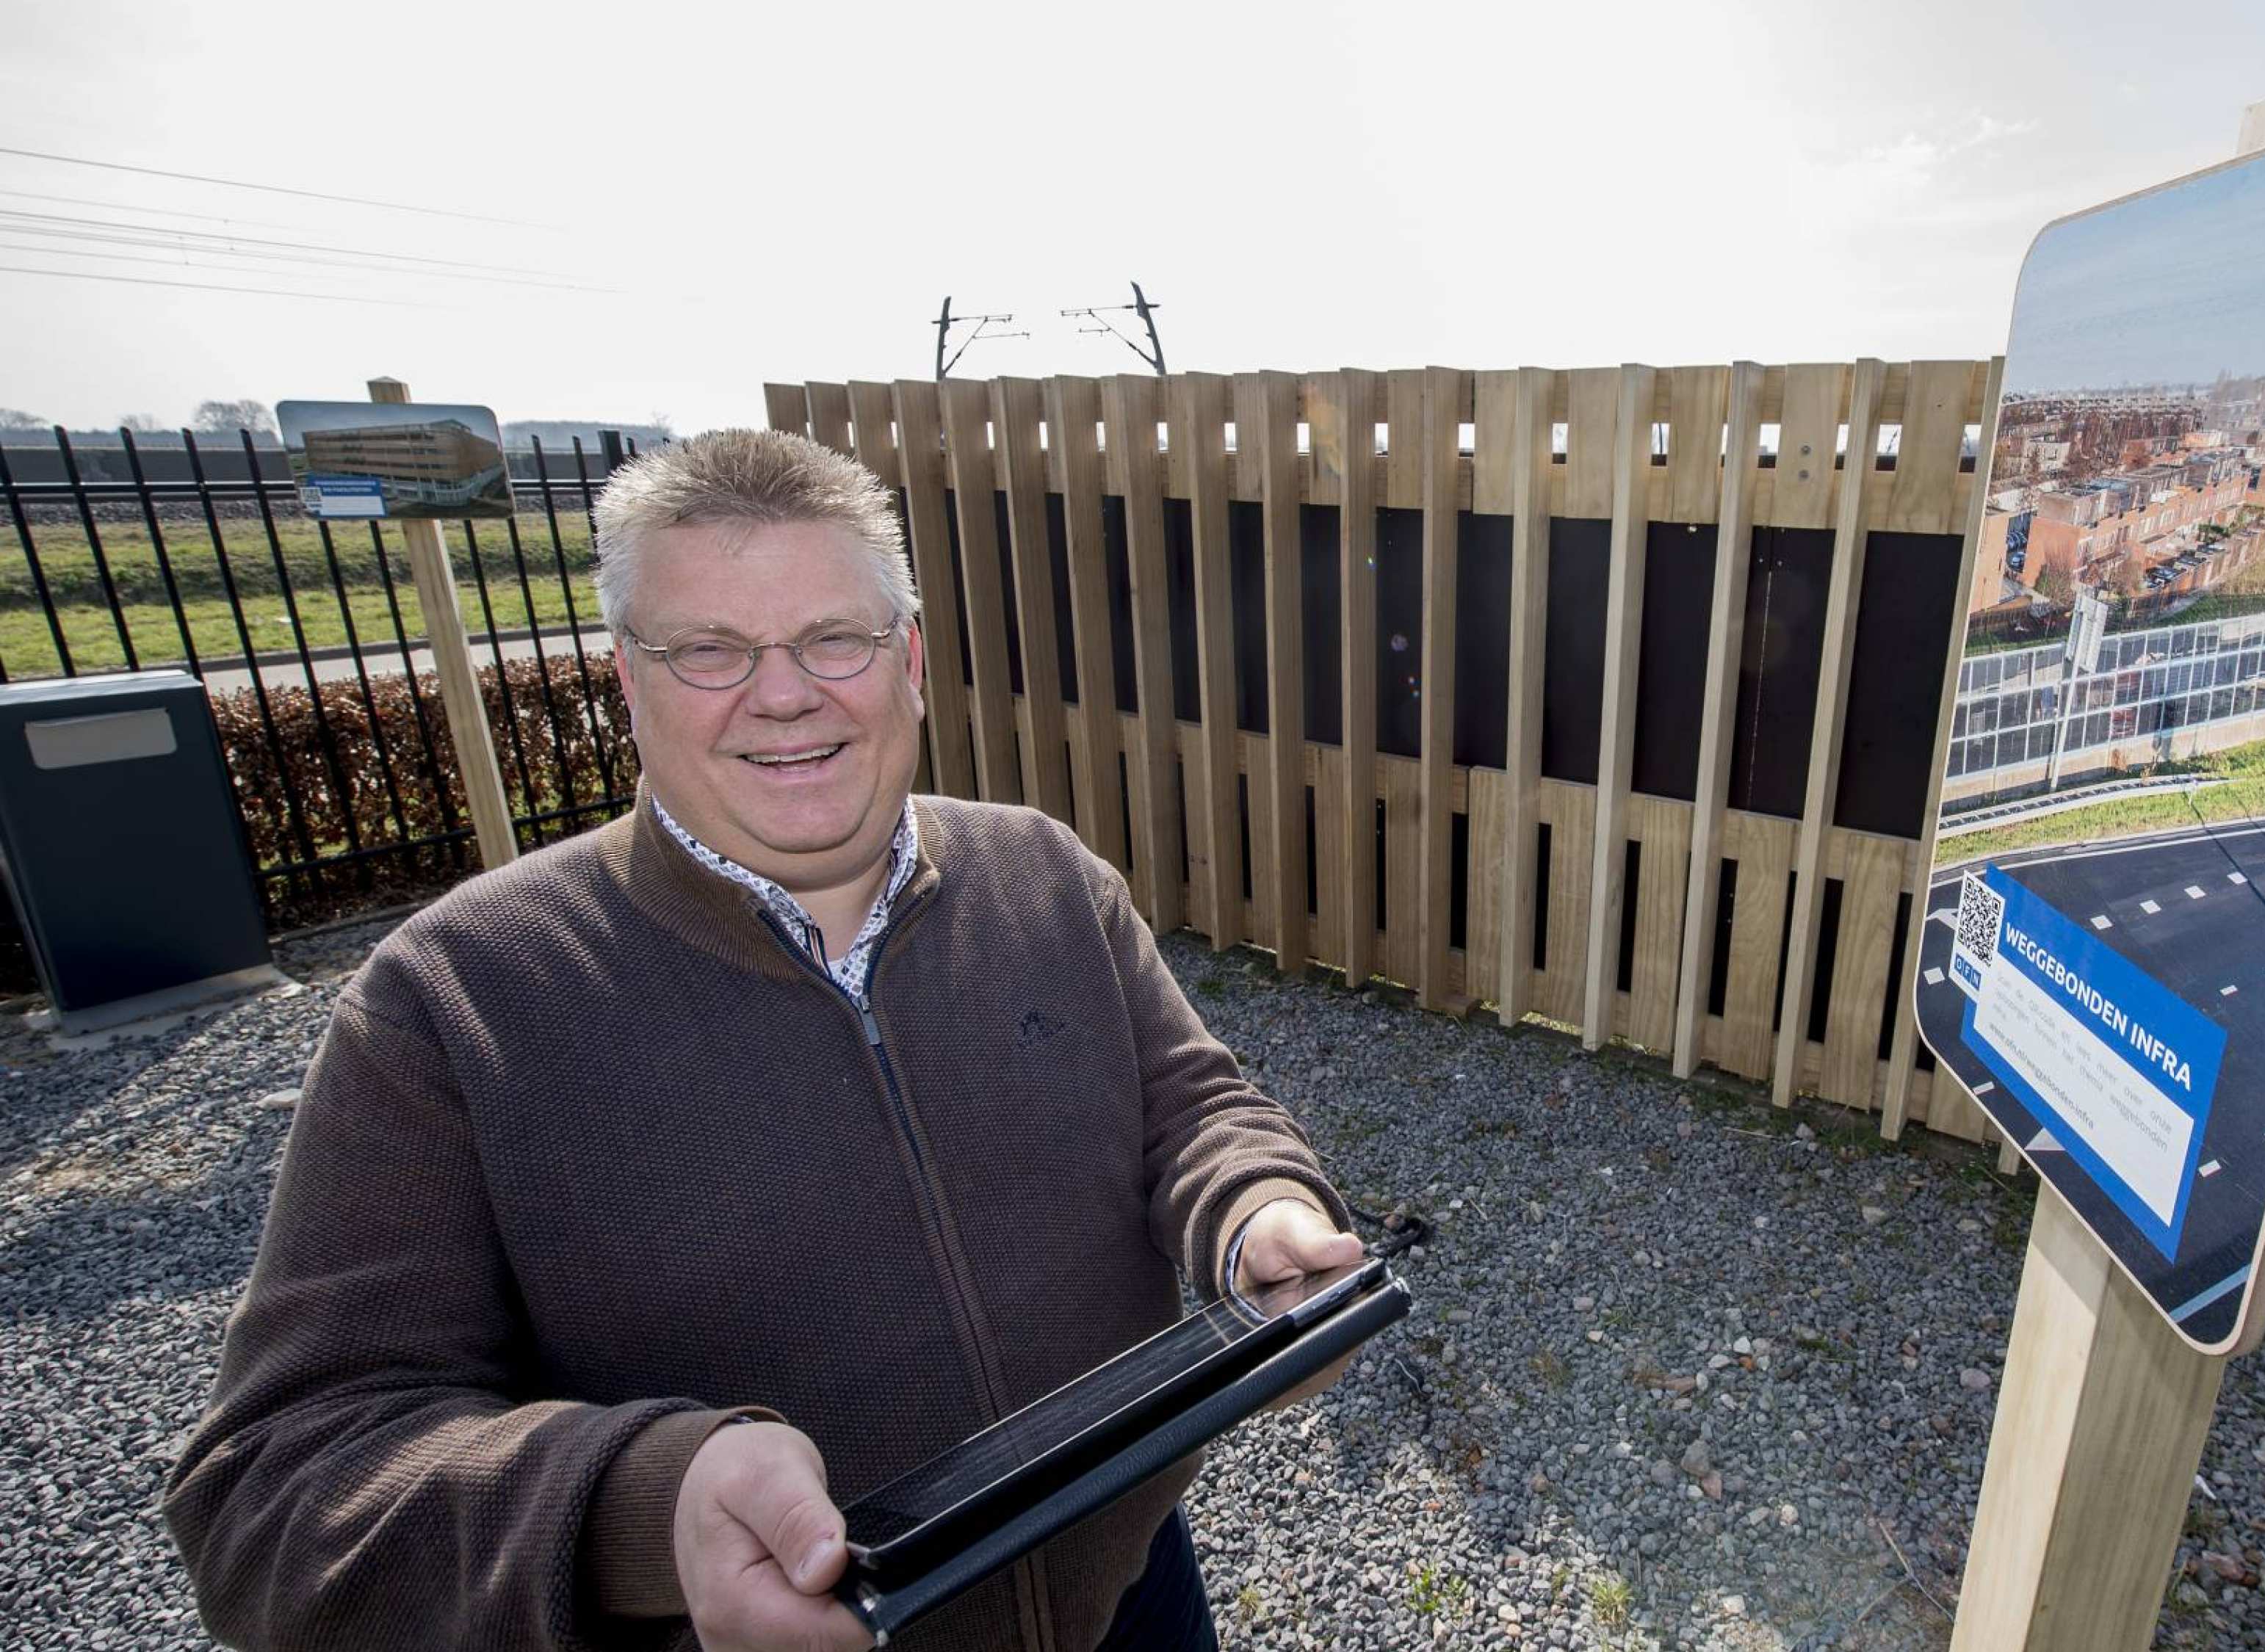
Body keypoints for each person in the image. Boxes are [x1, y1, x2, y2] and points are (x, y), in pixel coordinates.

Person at [164, 429, 1368, 1652]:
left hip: (1133, 1589)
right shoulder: (452, 1002)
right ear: (628, 682)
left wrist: (1255, 1206)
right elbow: (273, 1492)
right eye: (710, 651)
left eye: (831, 638)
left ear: (907, 659)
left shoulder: (1043, 874)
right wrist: (644, 1503)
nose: (784, 692)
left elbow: (1190, 1103)